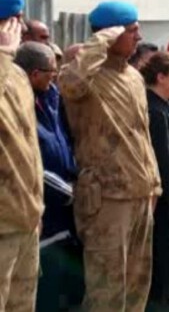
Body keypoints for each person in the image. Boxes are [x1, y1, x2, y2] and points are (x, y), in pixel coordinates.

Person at [60, 1, 162, 312]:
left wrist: (154, 183)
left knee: (136, 284)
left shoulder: (132, 75)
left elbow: (141, 133)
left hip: (141, 192)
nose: (138, 36)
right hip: (107, 197)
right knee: (107, 289)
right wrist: (99, 43)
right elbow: (70, 84)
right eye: (132, 30)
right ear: (109, 34)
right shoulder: (84, 74)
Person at [14, 42, 86, 311]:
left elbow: (64, 142)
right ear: (33, 74)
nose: (55, 77)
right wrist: (67, 193)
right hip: (42, 209)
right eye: (50, 73)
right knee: (44, 289)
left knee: (64, 288)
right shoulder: (18, 104)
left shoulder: (52, 96)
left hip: (64, 210)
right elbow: (29, 161)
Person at [0, 0, 45, 312]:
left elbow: (28, 146)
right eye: (11, 21)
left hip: (24, 218)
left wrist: (35, 205)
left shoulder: (16, 76)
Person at [139, 52, 169, 311]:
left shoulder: (166, 106)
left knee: (168, 261)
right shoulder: (154, 110)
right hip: (165, 200)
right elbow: (165, 164)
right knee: (160, 261)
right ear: (160, 77)